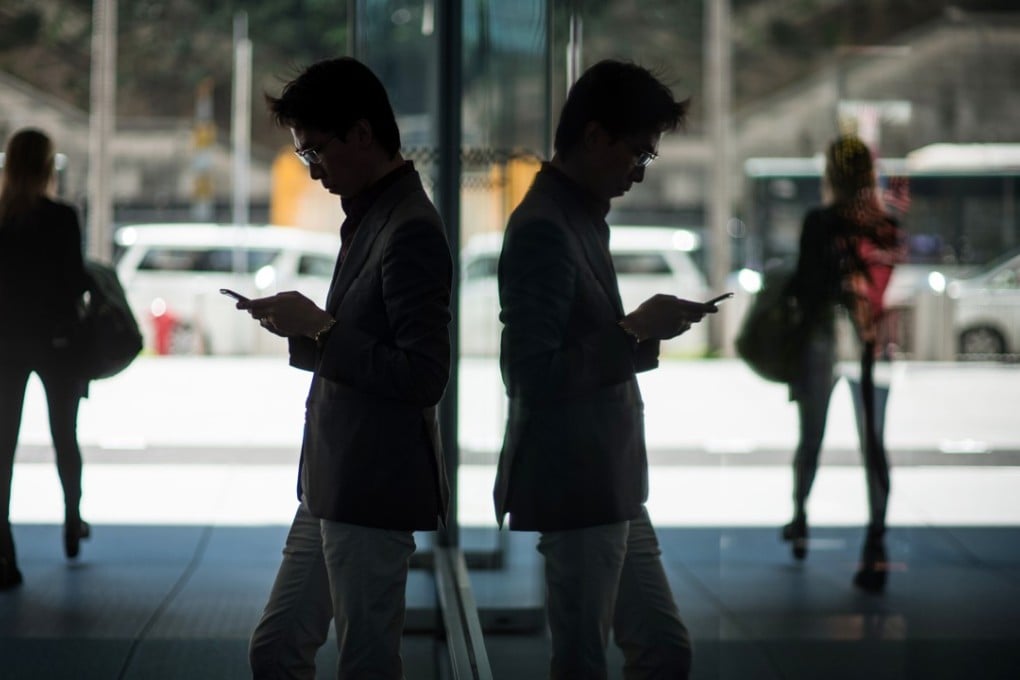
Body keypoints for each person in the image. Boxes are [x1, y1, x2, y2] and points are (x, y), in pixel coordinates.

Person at [494, 60, 709, 679]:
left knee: (662, 650)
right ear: (594, 137)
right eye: (638, 153)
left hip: (605, 483)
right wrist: (635, 331)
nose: (639, 172)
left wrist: (638, 334)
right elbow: (530, 374)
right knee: (587, 660)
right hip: (579, 483)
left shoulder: (577, 215)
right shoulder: (547, 226)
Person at [242, 57, 452, 678]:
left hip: (371, 485)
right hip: (335, 481)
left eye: (316, 151)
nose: (313, 170)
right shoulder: (370, 214)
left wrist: (321, 329)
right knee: (276, 650)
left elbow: (423, 375)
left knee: (364, 662)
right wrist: (307, 330)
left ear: (362, 134)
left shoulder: (407, 226)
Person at [782, 134, 905, 593]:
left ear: (832, 174)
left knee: (811, 436)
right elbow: (884, 286)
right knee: (874, 444)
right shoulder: (886, 225)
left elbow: (804, 286)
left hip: (824, 340)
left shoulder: (819, 222)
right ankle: (876, 539)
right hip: (874, 342)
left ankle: (800, 516)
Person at [0, 128, 92, 589]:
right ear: (46, 166)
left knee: (3, 446)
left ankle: (3, 552)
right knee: (64, 435)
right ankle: (73, 518)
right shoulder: (62, 217)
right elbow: (75, 281)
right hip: (57, 342)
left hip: (5, 342)